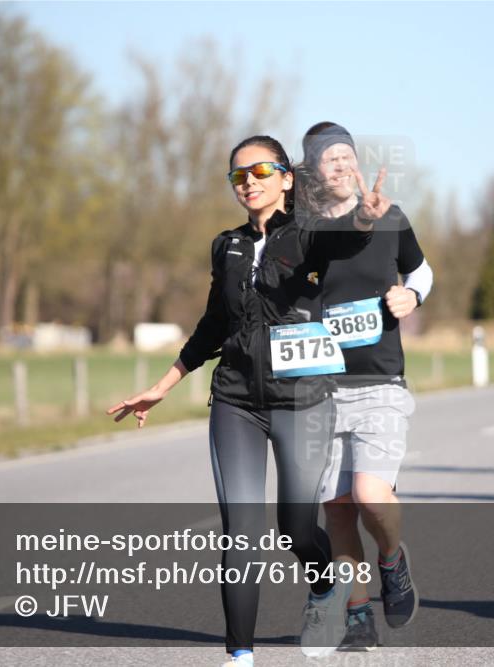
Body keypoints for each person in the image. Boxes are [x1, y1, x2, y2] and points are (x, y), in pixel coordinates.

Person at [107, 135, 391, 665]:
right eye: (239, 176)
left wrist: (366, 220)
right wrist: (163, 385)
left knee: (296, 528)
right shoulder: (226, 246)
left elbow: (346, 241)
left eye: (261, 171)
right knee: (241, 530)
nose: (250, 183)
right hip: (236, 399)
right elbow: (213, 323)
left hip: (302, 399)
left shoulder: (308, 233)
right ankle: (240, 654)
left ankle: (324, 588)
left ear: (285, 177)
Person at [296, 123, 431, 651]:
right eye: (328, 157)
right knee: (337, 509)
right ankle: (357, 616)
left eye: (347, 154)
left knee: (370, 494)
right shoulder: (302, 231)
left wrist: (412, 298)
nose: (341, 163)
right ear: (312, 170)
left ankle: (393, 561)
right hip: (321, 389)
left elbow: (422, 271)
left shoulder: (391, 217)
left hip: (380, 382)